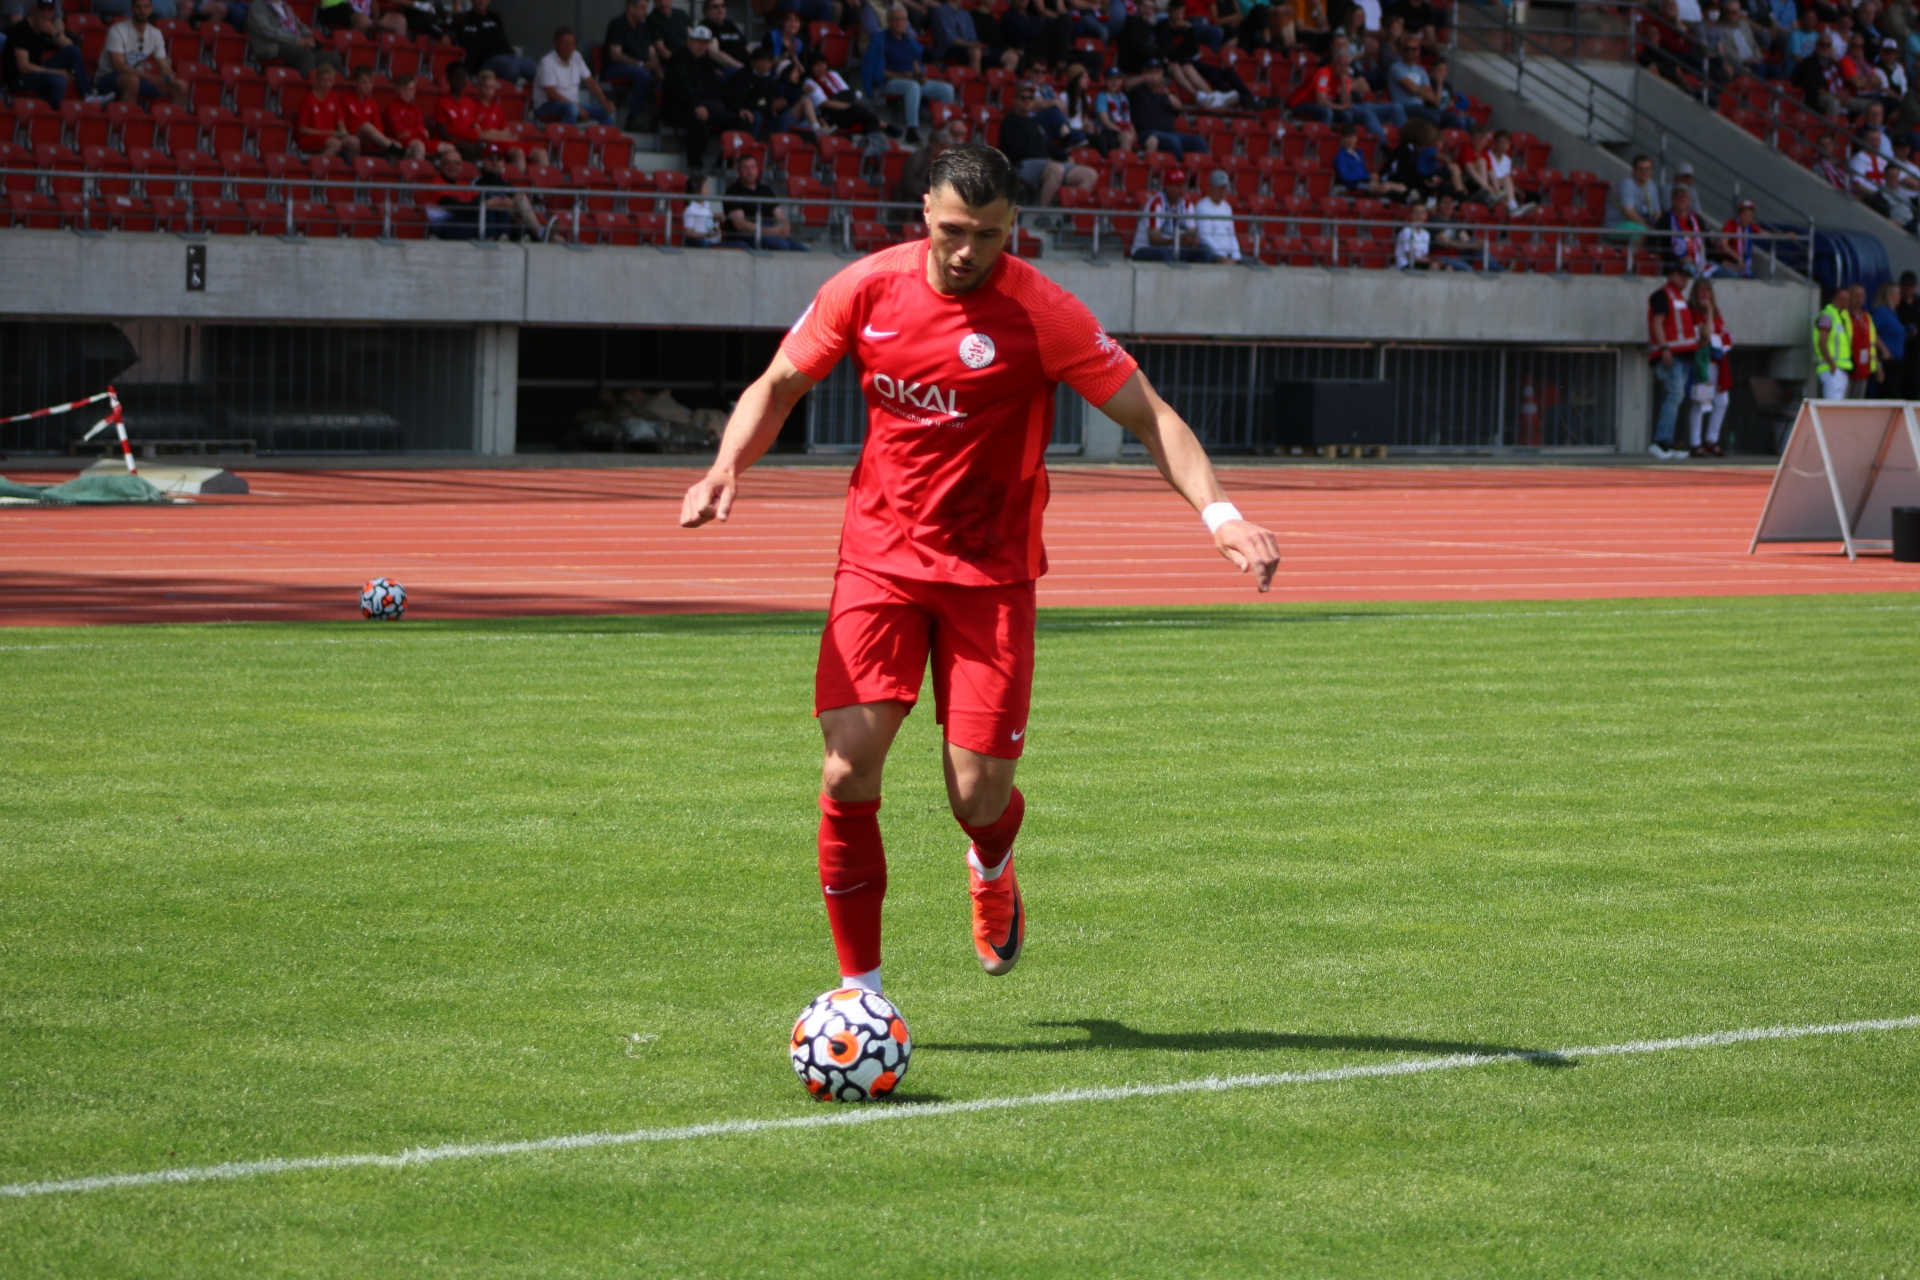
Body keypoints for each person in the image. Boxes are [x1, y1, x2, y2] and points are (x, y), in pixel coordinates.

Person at [676, 143, 1280, 998]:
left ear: (1013, 230)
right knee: (847, 765)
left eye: (988, 236)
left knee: (977, 794)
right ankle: (863, 991)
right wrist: (727, 467)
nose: (967, 252)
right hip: (879, 562)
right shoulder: (865, 289)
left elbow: (1152, 417)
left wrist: (1222, 515)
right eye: (954, 230)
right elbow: (778, 386)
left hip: (991, 576)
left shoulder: (1044, 314)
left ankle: (992, 860)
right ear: (924, 211)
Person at [999, 77, 1098, 208]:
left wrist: (1065, 156)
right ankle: (1042, 215)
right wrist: (1048, 159)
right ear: (1015, 101)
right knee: (1055, 168)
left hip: (1046, 164)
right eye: (1023, 98)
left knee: (1090, 174)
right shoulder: (1009, 122)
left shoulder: (1036, 122)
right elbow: (1016, 150)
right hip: (1022, 165)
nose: (1027, 101)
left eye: (1030, 98)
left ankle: (1067, 215)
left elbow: (1048, 145)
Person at [669, 26, 749, 169]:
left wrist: (739, 108)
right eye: (698, 42)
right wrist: (696, 104)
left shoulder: (705, 61)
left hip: (705, 107)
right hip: (681, 108)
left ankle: (724, 164)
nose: (702, 46)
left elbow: (721, 86)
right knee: (700, 124)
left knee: (740, 121)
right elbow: (682, 86)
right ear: (689, 41)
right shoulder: (678, 59)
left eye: (705, 43)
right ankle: (694, 166)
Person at [879, 5, 956, 141]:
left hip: (912, 79)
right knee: (912, 86)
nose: (899, 23)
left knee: (947, 89)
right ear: (889, 21)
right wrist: (903, 76)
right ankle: (912, 130)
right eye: (896, 19)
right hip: (890, 81)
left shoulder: (909, 42)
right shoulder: (880, 40)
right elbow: (879, 71)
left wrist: (921, 75)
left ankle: (943, 131)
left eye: (902, 19)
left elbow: (916, 63)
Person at [1648, 259, 1699, 459]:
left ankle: (1669, 443)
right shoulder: (1662, 294)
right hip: (1672, 355)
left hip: (1683, 355)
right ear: (1671, 275)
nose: (1684, 279)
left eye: (1686, 277)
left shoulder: (1679, 298)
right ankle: (1661, 442)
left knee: (1677, 397)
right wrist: (1664, 348)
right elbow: (1657, 322)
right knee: (1674, 396)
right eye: (1680, 275)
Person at [7, 0, 90, 106]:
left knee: (72, 50)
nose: (46, 15)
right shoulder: (22, 29)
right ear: (34, 10)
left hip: (37, 70)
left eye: (50, 11)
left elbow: (69, 46)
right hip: (19, 78)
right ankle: (50, 116)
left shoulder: (45, 29)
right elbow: (23, 67)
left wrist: (55, 33)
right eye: (42, 10)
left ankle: (88, 96)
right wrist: (55, 71)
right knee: (59, 80)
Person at [1685, 279, 1733, 456]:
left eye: (1707, 291)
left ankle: (1712, 440)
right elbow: (1705, 334)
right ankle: (1695, 443)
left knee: (1722, 402)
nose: (1704, 295)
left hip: (1719, 363)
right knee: (1700, 402)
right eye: (1700, 291)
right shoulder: (1692, 311)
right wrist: (1709, 312)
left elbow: (1724, 331)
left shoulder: (1716, 311)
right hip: (1703, 364)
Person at [723, 152, 809, 250]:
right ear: (738, 170)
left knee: (804, 250)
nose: (750, 171)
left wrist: (785, 228)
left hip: (770, 231)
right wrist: (771, 231)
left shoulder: (765, 190)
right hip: (747, 235)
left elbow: (780, 215)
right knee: (783, 246)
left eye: (753, 167)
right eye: (746, 168)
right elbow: (740, 225)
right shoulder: (733, 191)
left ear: (758, 169)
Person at [534, 27, 615, 126]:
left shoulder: (576, 56)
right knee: (571, 109)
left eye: (571, 43)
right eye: (564, 43)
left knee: (608, 112)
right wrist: (576, 107)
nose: (568, 47)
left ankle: (603, 141)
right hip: (546, 106)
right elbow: (552, 94)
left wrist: (604, 100)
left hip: (572, 105)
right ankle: (568, 139)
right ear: (556, 44)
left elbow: (590, 81)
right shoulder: (547, 62)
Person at [1386, 32, 1465, 129]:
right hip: (1404, 107)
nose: (1410, 52)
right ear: (1402, 50)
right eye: (1407, 49)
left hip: (1421, 107)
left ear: (1418, 51)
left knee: (1455, 119)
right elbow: (1412, 89)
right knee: (1433, 118)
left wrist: (1418, 90)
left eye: (1414, 49)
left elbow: (1434, 99)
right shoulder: (1396, 67)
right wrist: (1421, 90)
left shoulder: (1421, 70)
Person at [1131, 60, 1209, 155]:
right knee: (1173, 140)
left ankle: (1194, 168)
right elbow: (1126, 84)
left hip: (1169, 132)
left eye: (1157, 72)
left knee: (1199, 141)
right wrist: (1145, 77)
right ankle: (1177, 168)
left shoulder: (1165, 92)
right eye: (1151, 72)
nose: (1154, 75)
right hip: (1148, 132)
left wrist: (1167, 93)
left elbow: (1178, 107)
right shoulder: (1139, 90)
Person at [602, 0, 659, 128]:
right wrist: (640, 64)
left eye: (647, 8)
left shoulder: (643, 28)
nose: (646, 11)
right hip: (614, 68)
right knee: (644, 75)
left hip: (639, 68)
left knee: (665, 75)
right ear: (631, 7)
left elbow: (652, 53)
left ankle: (658, 120)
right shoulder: (618, 24)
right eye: (642, 7)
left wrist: (657, 67)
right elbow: (615, 54)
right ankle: (632, 117)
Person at [474, 68, 545, 172]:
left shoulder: (496, 107)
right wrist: (499, 134)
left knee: (541, 153)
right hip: (488, 144)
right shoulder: (472, 106)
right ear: (479, 87)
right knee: (518, 152)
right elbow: (479, 134)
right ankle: (520, 184)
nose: (489, 91)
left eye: (492, 88)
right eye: (486, 87)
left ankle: (543, 184)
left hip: (505, 142)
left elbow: (506, 131)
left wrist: (492, 132)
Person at [247, 0, 340, 77]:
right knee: (306, 56)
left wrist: (308, 36)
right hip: (273, 45)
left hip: (295, 43)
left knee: (333, 58)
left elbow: (298, 25)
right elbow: (267, 31)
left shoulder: (285, 6)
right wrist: (296, 41)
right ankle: (307, 90)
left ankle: (335, 96)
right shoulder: (257, 6)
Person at [453, 0, 535, 84]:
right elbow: (450, 27)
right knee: (513, 69)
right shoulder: (463, 19)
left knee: (538, 71)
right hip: (485, 61)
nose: (481, 1)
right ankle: (504, 92)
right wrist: (457, 3)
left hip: (509, 56)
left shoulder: (494, 18)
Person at [340, 65, 405, 159]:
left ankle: (391, 170)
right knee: (366, 126)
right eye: (364, 82)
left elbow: (378, 124)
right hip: (354, 134)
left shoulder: (372, 103)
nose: (367, 86)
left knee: (397, 144)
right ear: (355, 82)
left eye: (370, 83)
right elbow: (341, 122)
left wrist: (379, 137)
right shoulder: (346, 100)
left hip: (370, 136)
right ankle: (393, 148)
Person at [384, 73, 450, 163]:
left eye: (411, 89)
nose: (408, 93)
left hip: (418, 140)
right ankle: (418, 173)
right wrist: (420, 132)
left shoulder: (415, 109)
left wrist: (416, 132)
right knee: (419, 146)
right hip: (401, 141)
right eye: (404, 89)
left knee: (449, 148)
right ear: (397, 90)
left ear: (415, 91)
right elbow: (399, 132)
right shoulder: (392, 107)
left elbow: (421, 129)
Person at [295, 63, 357, 158]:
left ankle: (351, 169)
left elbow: (340, 122)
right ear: (316, 80)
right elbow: (303, 129)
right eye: (323, 80)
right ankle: (319, 166)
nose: (326, 83)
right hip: (311, 137)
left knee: (354, 141)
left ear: (333, 82)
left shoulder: (333, 98)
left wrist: (343, 133)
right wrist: (329, 133)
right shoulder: (308, 100)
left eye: (330, 80)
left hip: (330, 136)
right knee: (335, 144)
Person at [1330, 122, 1404, 197]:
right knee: (1383, 188)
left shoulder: (1358, 154)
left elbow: (1363, 170)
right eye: (1348, 137)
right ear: (1342, 138)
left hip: (1366, 181)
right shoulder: (1340, 156)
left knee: (1401, 187)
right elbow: (1345, 176)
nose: (1351, 140)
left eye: (1353, 137)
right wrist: (1368, 176)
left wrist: (1371, 176)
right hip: (1355, 184)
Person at [1654, 185, 1712, 276]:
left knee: (1729, 273)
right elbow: (1661, 248)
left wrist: (1723, 261)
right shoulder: (1665, 220)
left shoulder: (1697, 219)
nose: (1680, 199)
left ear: (1689, 200)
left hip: (1700, 262)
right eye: (1677, 197)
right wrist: (1679, 259)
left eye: (1683, 197)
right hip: (1677, 264)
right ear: (1672, 200)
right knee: (1692, 271)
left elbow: (1708, 244)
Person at [1607, 153, 1662, 244]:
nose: (1644, 172)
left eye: (1647, 169)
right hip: (1616, 224)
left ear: (1651, 171)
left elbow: (1657, 212)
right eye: (1640, 169)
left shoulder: (1651, 185)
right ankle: (1635, 257)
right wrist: (1649, 227)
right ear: (1633, 169)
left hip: (1642, 222)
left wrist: (1659, 227)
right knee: (1641, 230)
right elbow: (1629, 213)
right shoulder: (1627, 184)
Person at [1812, 285, 1854, 399]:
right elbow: (1822, 342)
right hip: (1830, 368)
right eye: (1841, 300)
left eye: (1847, 300)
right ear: (1833, 300)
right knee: (1832, 403)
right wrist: (1831, 364)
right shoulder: (1827, 316)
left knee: (1837, 404)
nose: (1845, 303)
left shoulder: (1843, 317)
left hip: (1840, 369)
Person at [1191, 168, 1243, 261]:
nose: (1222, 192)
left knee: (1257, 263)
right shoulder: (1202, 207)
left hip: (1228, 255)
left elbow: (1231, 234)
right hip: (1214, 255)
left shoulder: (1227, 207)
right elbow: (1205, 237)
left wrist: (1236, 256)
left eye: (1224, 188)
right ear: (1211, 187)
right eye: (1219, 188)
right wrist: (1222, 256)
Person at [1849, 281, 1885, 398]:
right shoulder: (1843, 315)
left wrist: (1878, 366)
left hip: (1862, 369)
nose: (1859, 298)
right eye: (1855, 295)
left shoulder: (1866, 318)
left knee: (1857, 404)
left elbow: (1870, 342)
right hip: (1847, 369)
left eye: (1861, 295)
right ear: (1849, 296)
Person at [1871, 280, 1906, 399]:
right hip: (1887, 363)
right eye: (1897, 293)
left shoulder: (1893, 313)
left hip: (1896, 362)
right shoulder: (1881, 312)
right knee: (1887, 395)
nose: (1900, 297)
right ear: (1889, 295)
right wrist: (1883, 349)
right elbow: (1869, 330)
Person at [1091, 64, 1137, 153]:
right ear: (1105, 81)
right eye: (1111, 79)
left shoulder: (1123, 97)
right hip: (1106, 131)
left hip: (1121, 129)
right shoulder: (1102, 97)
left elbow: (1127, 119)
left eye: (1118, 79)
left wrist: (1133, 132)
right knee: (1126, 137)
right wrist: (1123, 131)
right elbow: (1105, 122)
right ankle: (1124, 163)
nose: (1115, 82)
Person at [1716, 197, 1761, 277]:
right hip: (1725, 261)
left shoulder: (1750, 226)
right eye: (1745, 215)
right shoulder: (1730, 223)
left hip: (1741, 265)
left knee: (1756, 280)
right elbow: (1724, 244)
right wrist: (1738, 258)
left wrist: (1787, 234)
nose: (1747, 218)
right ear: (1739, 214)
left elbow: (1766, 233)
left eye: (1750, 216)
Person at [1894, 270, 1920, 398]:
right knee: (1900, 387)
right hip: (1901, 353)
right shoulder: (1897, 305)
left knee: (1915, 388)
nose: (1907, 289)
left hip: (1916, 354)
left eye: (1910, 286)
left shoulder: (1918, 303)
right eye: (1905, 286)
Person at [1394, 198, 1433, 267]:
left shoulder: (1426, 234)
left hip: (1419, 263)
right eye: (1416, 212)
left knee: (1447, 267)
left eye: (1422, 213)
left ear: (1426, 215)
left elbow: (1424, 255)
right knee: (1434, 266)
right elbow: (1409, 256)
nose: (1419, 216)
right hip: (1405, 264)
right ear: (1411, 214)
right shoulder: (1407, 231)